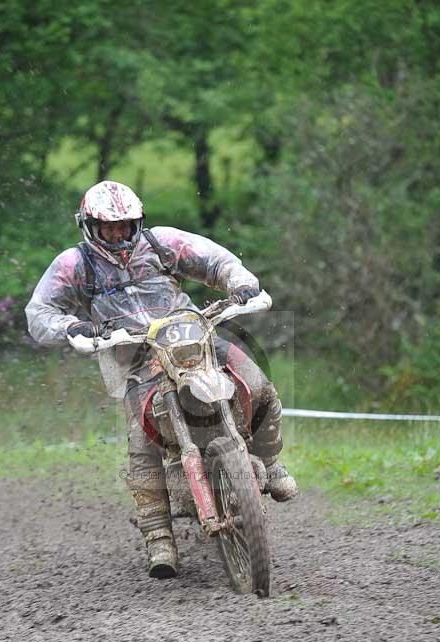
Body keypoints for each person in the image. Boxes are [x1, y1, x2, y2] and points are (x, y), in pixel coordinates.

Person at [25, 180, 297, 578]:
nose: (118, 234)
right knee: (142, 439)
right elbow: (39, 313)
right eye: (109, 227)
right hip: (134, 355)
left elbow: (217, 261)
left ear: (138, 223)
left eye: (125, 225)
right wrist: (74, 327)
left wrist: (240, 285)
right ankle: (158, 537)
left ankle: (271, 465)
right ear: (90, 226)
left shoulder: (162, 243)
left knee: (259, 386)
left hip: (192, 337)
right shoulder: (73, 265)